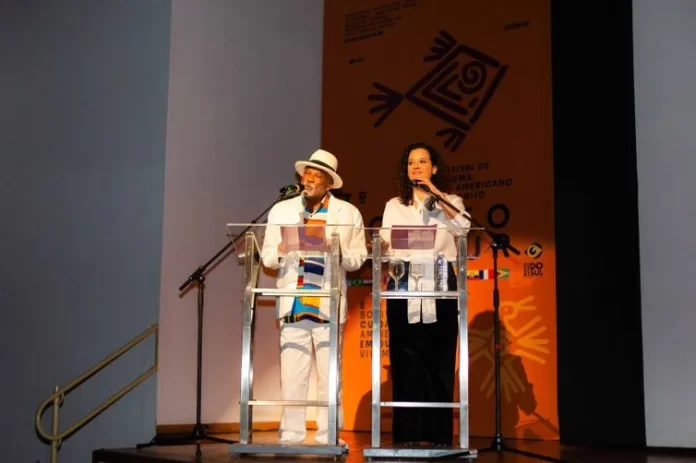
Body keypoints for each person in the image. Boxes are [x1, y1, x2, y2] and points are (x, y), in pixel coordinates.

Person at [261, 149, 367, 446]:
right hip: (294, 299)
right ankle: (291, 433)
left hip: (327, 300)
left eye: (316, 175)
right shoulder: (281, 210)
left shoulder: (348, 213)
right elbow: (267, 257)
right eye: (306, 173)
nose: (308, 179)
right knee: (292, 373)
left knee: (330, 373)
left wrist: (337, 251)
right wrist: (281, 250)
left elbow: (358, 258)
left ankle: (328, 434)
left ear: (329, 183)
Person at [379, 142, 470, 447]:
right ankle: (407, 436)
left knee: (439, 356)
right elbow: (387, 243)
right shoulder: (395, 205)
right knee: (405, 356)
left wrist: (435, 193)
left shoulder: (450, 201)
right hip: (403, 278)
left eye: (422, 162)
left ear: (434, 167)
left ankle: (439, 436)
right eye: (411, 162)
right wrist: (384, 247)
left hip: (441, 276)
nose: (416, 167)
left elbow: (464, 227)